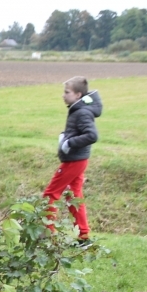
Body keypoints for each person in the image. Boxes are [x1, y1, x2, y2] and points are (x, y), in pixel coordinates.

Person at [44, 76, 102, 241]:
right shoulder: (78, 109)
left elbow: (91, 135)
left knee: (50, 194)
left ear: (77, 95)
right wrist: (66, 136)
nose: (63, 95)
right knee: (73, 197)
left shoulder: (82, 112)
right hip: (78, 159)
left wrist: (69, 142)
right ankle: (83, 236)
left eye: (67, 92)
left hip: (74, 160)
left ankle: (47, 233)